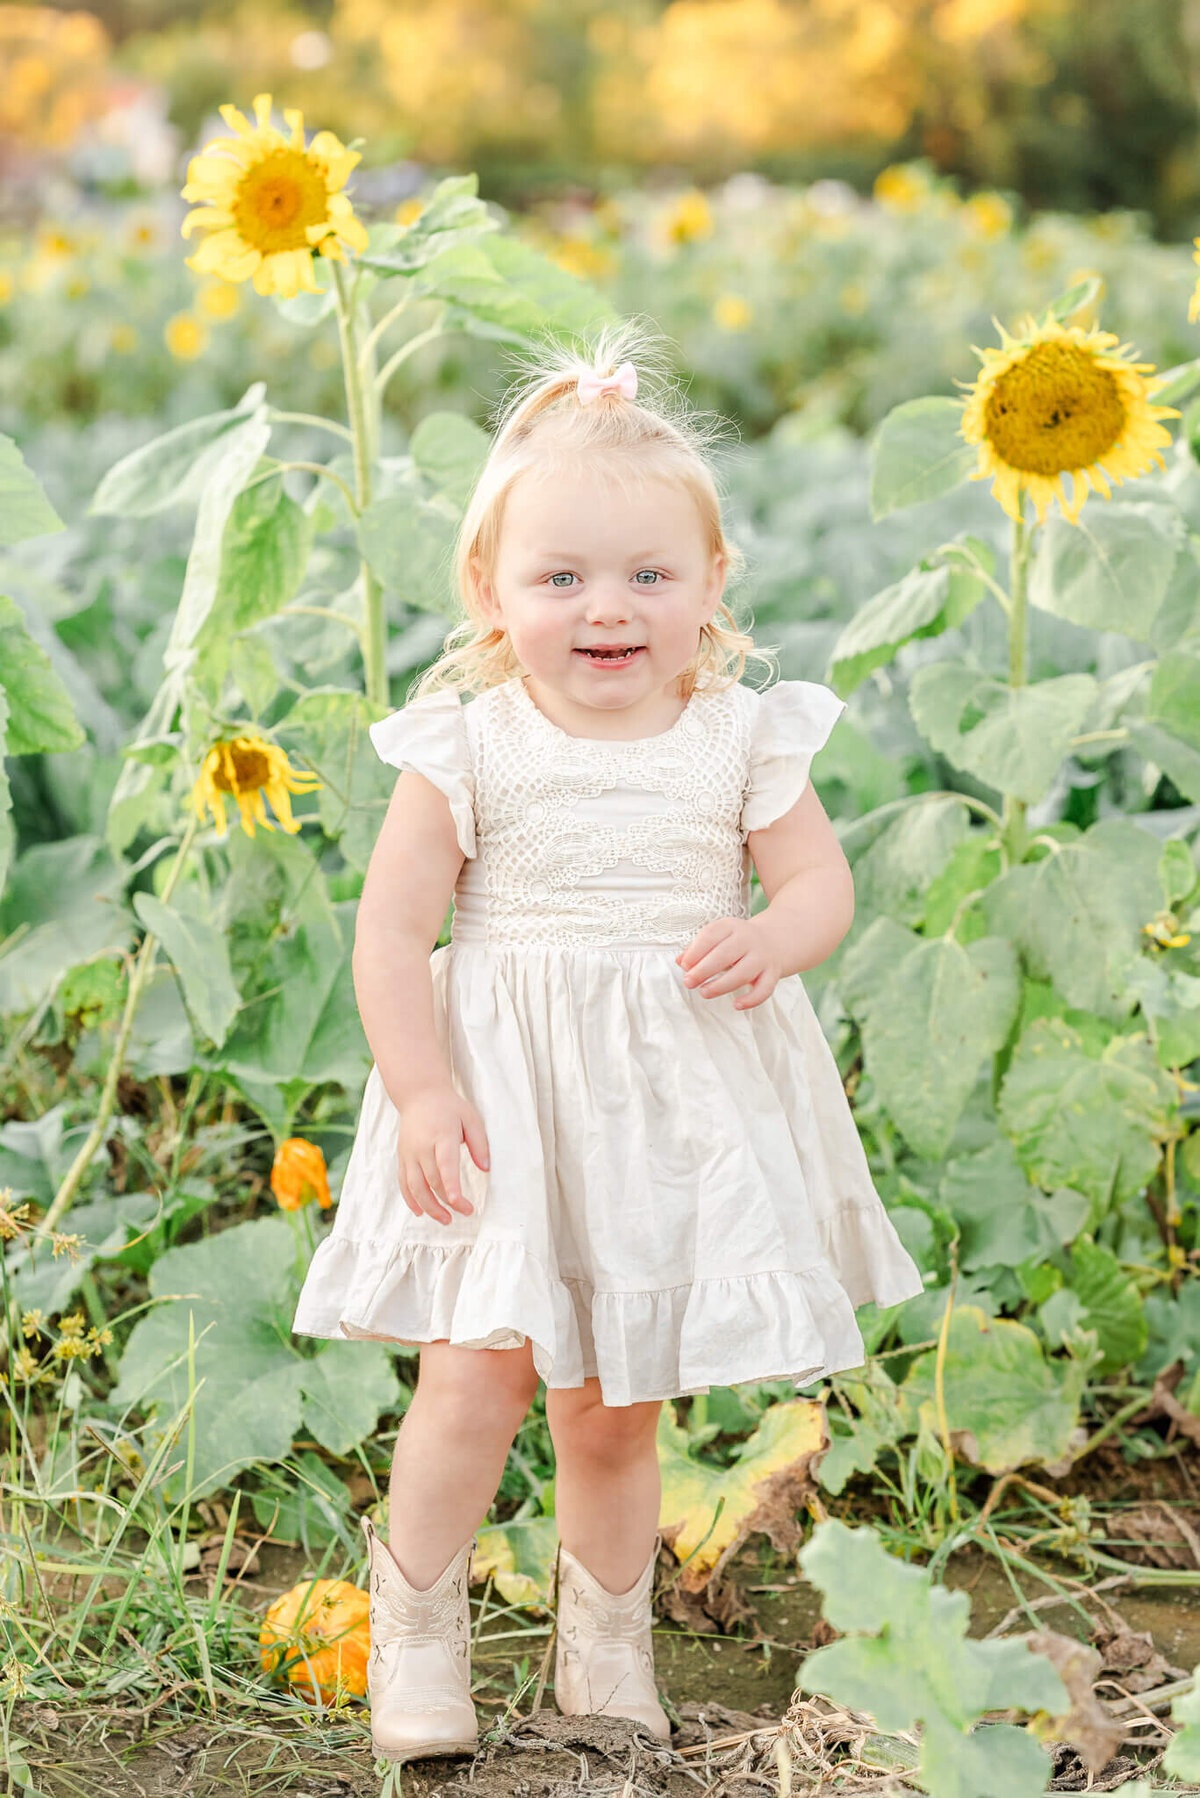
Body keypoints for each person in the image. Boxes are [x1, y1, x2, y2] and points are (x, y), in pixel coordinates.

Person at [291, 318, 924, 1764]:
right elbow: (391, 937)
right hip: (503, 1105)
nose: (607, 608)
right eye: (561, 576)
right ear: (493, 590)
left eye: (649, 574)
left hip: (662, 1108)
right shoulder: (467, 742)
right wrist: (422, 1088)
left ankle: (605, 1646)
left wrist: (774, 937)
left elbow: (821, 883)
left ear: (712, 585)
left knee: (615, 1400)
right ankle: (419, 1633)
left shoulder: (738, 736)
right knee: (475, 1374)